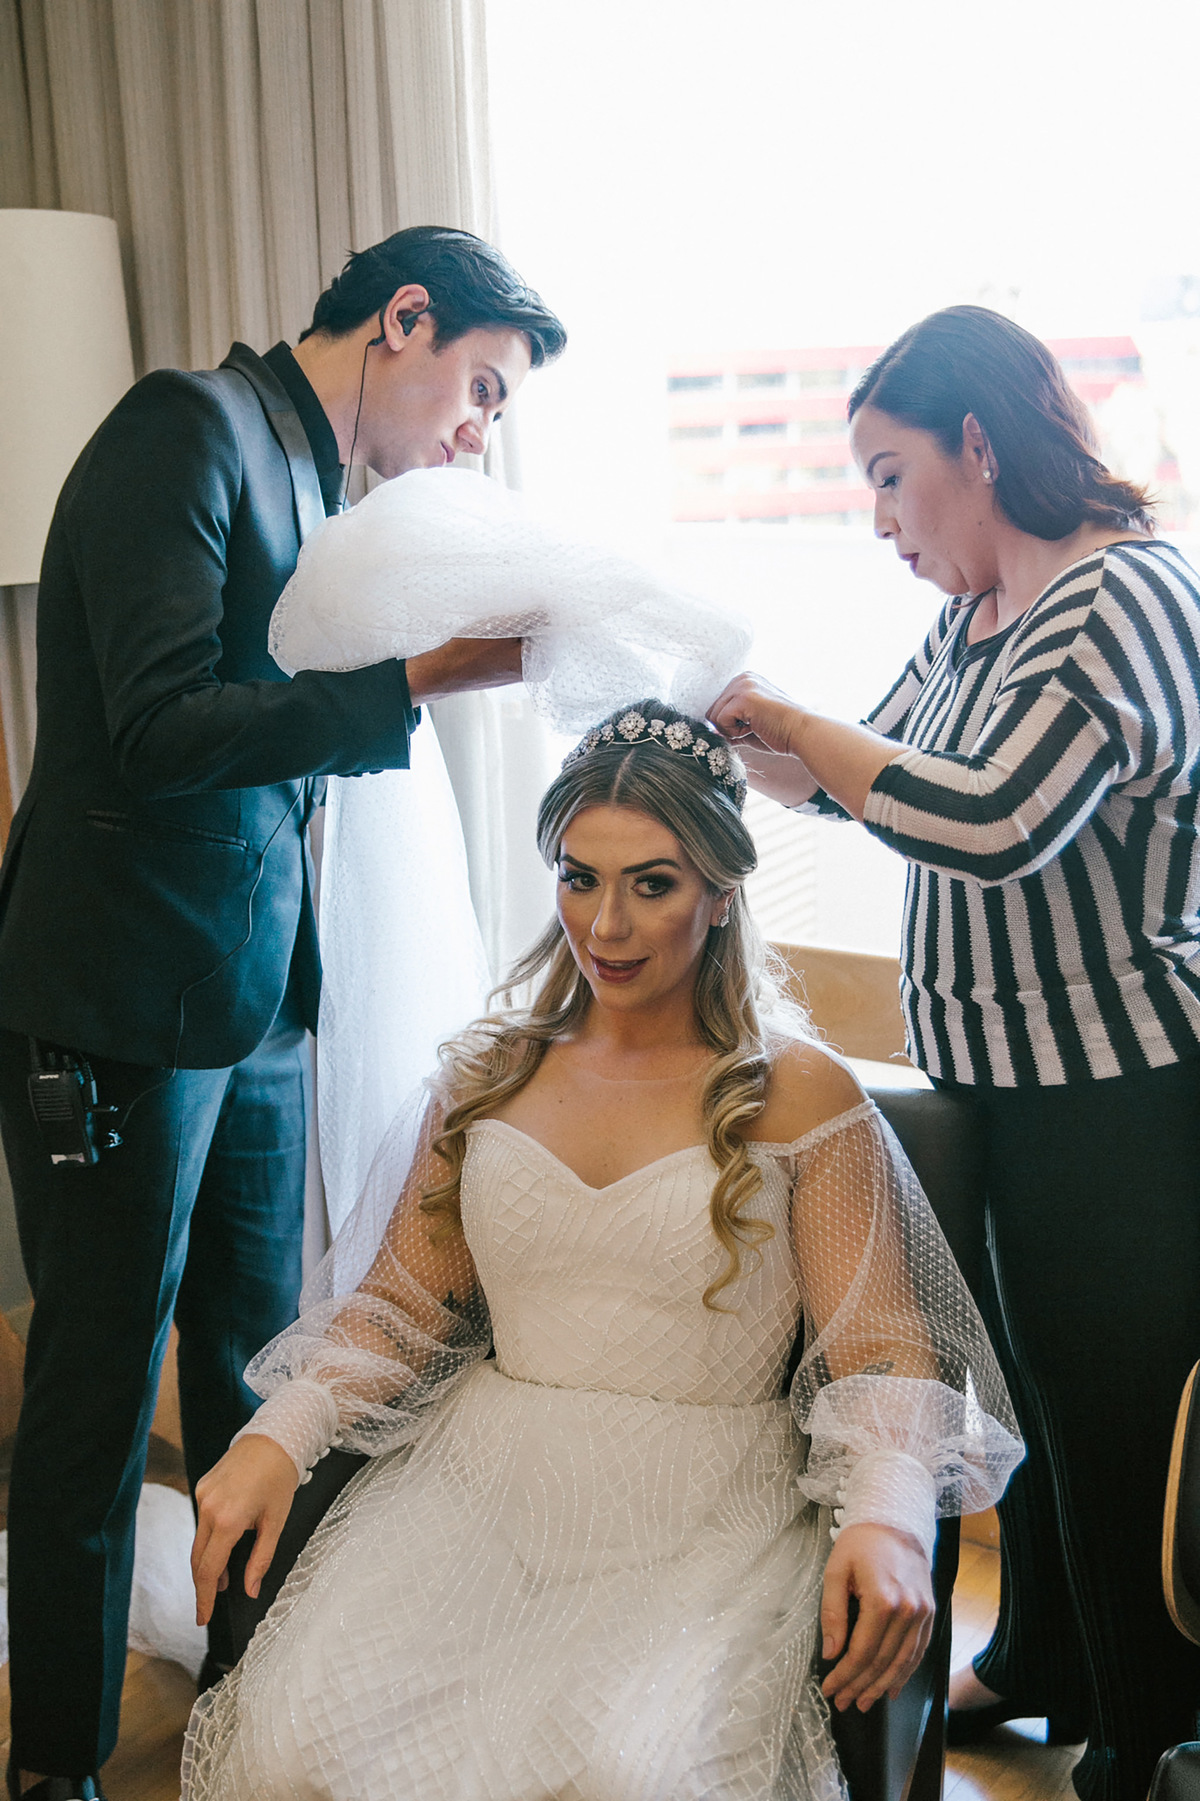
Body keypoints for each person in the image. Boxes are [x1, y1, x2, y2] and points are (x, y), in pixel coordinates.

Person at [181, 700, 1021, 1801]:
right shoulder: (487, 1075)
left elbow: (882, 1348)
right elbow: (400, 1307)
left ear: (721, 891)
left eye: (651, 884)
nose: (607, 926)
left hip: (707, 1506)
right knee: (299, 1744)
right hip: (483, 1486)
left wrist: (891, 1512)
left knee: (637, 1770)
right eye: (579, 878)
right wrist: (278, 1431)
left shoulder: (799, 1093)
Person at [0, 225, 566, 1801]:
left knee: (257, 1371)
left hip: (252, 999)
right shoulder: (183, 431)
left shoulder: (319, 485)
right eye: (480, 386)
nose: (476, 429)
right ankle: (57, 1767)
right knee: (97, 1391)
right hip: (117, 1000)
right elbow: (164, 726)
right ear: (403, 320)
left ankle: (246, 1719)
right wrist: (423, 679)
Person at [709, 305, 1200, 1801]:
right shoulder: (982, 611)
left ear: (979, 445)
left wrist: (803, 728)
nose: (880, 520)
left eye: (890, 476)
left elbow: (990, 820)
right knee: (1027, 1402)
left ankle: (1147, 1741)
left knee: (1118, 1422)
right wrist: (730, 722)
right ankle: (1048, 1656)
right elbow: (859, 781)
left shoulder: (1125, 594)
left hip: (1120, 1093)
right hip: (1001, 1084)